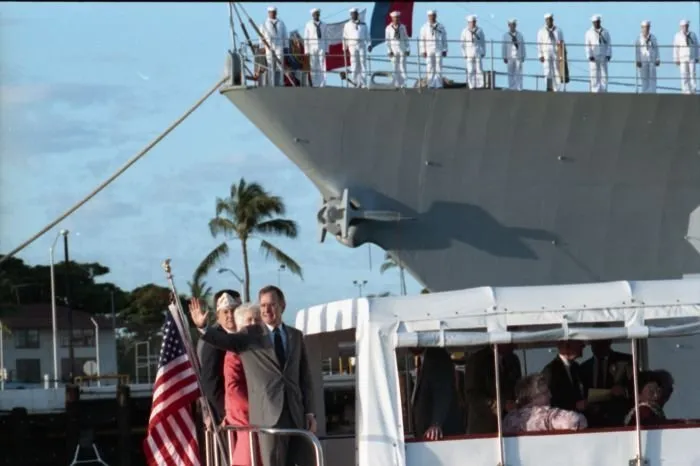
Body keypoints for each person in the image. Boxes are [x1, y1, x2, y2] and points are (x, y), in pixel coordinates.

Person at [189, 285, 316, 466]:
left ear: (283, 305)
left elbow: (305, 377)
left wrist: (310, 412)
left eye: (271, 305)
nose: (266, 310)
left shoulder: (295, 336)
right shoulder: (250, 334)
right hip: (268, 419)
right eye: (263, 305)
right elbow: (225, 340)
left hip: (297, 416)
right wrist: (203, 327)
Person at [224, 303, 263, 466]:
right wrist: (258, 412)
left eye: (257, 320)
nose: (253, 323)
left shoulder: (265, 349)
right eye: (249, 320)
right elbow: (234, 388)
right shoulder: (235, 351)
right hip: (248, 420)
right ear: (240, 326)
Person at [197, 289, 241, 427]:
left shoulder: (243, 335)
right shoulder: (213, 340)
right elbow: (211, 382)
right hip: (227, 418)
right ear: (218, 315)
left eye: (234, 310)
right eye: (225, 312)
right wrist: (227, 412)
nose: (230, 315)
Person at [464, 344, 522, 434]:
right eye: (510, 341)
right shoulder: (477, 360)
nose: (514, 345)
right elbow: (472, 395)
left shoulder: (513, 360)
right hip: (483, 428)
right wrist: (500, 405)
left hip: (510, 426)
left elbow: (518, 387)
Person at [503, 373, 588, 434]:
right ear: (533, 398)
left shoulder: (509, 418)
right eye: (546, 393)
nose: (550, 395)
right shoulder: (545, 415)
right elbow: (575, 421)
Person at [410, 347, 465, 440]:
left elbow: (443, 391)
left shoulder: (436, 357)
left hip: (439, 434)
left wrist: (436, 423)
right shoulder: (428, 357)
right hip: (430, 433)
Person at [579, 339, 633, 427]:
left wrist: (624, 391)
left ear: (609, 341)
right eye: (594, 342)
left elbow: (638, 387)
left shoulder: (625, 362)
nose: (597, 346)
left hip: (619, 421)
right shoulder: (583, 368)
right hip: (592, 423)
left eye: (601, 341)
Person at [542, 340, 587, 414]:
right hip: (562, 422)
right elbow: (548, 402)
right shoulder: (551, 370)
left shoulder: (576, 367)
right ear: (567, 346)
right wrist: (574, 406)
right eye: (579, 342)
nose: (583, 345)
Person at [259, 6, 288, 87]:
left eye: (274, 12)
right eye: (271, 12)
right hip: (269, 46)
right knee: (270, 65)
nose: (272, 13)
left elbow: (285, 35)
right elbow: (261, 36)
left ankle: (280, 82)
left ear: (276, 13)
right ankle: (272, 83)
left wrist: (286, 46)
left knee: (280, 64)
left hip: (279, 45)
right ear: (268, 13)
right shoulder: (264, 24)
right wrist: (261, 46)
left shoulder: (281, 23)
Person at [419, 10, 448, 89]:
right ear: (428, 17)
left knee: (438, 66)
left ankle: (438, 84)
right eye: (430, 16)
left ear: (435, 16)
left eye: (433, 15)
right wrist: (423, 51)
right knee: (429, 66)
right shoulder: (424, 27)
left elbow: (444, 38)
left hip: (438, 48)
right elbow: (422, 39)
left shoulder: (440, 26)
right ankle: (431, 84)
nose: (432, 17)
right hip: (429, 48)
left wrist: (445, 49)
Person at [537, 13, 566, 92]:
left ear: (552, 20)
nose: (549, 21)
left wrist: (561, 55)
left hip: (555, 52)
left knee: (556, 70)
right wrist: (540, 55)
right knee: (547, 71)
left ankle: (557, 88)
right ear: (545, 21)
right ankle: (549, 87)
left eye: (550, 19)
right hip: (546, 52)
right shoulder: (541, 31)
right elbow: (539, 44)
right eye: (547, 20)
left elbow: (561, 43)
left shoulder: (558, 30)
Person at [342, 8, 370, 88]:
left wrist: (369, 44)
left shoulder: (363, 24)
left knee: (363, 64)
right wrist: (345, 48)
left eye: (355, 13)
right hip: (352, 46)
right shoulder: (347, 25)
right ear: (351, 15)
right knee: (354, 64)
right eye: (353, 14)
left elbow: (367, 35)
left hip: (361, 45)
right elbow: (345, 37)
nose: (354, 15)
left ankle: (363, 83)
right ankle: (355, 83)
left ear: (358, 15)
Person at [584, 15, 612, 93]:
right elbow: (587, 45)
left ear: (600, 22)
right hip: (594, 54)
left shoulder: (605, 32)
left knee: (604, 73)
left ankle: (603, 89)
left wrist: (608, 54)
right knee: (594, 72)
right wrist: (589, 55)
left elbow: (609, 44)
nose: (596, 24)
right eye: (594, 22)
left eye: (597, 22)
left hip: (603, 53)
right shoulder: (589, 32)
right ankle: (595, 89)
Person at [384, 11, 410, 88]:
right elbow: (387, 40)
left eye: (397, 18)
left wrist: (408, 49)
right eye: (395, 18)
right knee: (395, 66)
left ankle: (403, 83)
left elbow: (406, 38)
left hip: (402, 48)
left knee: (402, 65)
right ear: (392, 18)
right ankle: (397, 83)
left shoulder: (403, 27)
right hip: (393, 48)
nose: (396, 19)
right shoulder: (388, 28)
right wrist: (389, 51)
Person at [303, 8, 328, 87]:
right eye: (314, 14)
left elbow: (326, 38)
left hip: (321, 46)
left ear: (319, 15)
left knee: (322, 65)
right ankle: (315, 83)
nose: (316, 15)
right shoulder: (308, 24)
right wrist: (306, 50)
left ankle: (323, 83)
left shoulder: (324, 25)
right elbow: (306, 38)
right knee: (314, 66)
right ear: (312, 15)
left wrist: (327, 49)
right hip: (312, 47)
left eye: (317, 14)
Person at [673, 20, 698, 94]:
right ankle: (685, 90)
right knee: (684, 74)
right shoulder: (678, 35)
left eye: (686, 26)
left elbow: (696, 46)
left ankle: (693, 89)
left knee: (692, 73)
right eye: (683, 26)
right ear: (681, 27)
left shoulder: (693, 34)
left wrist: (697, 57)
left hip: (691, 57)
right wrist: (676, 58)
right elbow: (676, 48)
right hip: (683, 57)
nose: (685, 27)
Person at [461, 15, 486, 89]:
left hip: (477, 51)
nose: (473, 23)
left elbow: (483, 42)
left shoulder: (479, 30)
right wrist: (464, 54)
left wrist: (483, 52)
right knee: (470, 69)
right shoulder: (465, 31)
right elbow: (462, 44)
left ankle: (480, 85)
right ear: (468, 23)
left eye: (474, 22)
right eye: (471, 22)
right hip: (469, 51)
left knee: (479, 69)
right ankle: (471, 85)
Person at [635, 20, 660, 94]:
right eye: (644, 27)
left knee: (652, 77)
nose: (646, 29)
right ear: (642, 28)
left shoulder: (653, 38)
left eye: (647, 27)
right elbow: (637, 51)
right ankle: (645, 92)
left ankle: (652, 92)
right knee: (644, 77)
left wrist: (657, 58)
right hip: (643, 60)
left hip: (652, 59)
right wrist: (638, 60)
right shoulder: (639, 39)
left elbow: (656, 49)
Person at [501, 19, 526, 91]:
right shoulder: (505, 36)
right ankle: (512, 87)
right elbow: (504, 46)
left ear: (515, 25)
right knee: (510, 72)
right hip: (509, 56)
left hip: (518, 56)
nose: (512, 26)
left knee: (519, 72)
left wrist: (523, 55)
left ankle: (519, 87)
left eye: (514, 25)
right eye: (511, 25)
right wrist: (504, 56)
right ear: (509, 25)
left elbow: (522, 46)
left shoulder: (520, 35)